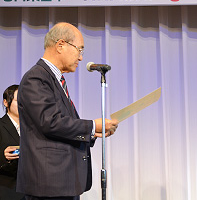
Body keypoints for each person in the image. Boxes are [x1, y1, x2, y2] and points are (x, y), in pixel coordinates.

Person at [16, 22, 119, 200]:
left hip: (63, 183)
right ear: (60, 45)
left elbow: (60, 125)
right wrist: (92, 126)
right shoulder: (36, 77)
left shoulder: (55, 79)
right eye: (79, 49)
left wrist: (93, 133)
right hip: (48, 184)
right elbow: (50, 122)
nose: (80, 58)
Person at [0, 85, 25, 200]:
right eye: (18, 100)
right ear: (6, 102)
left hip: (32, 189)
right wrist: (3, 156)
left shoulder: (33, 128)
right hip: (7, 189)